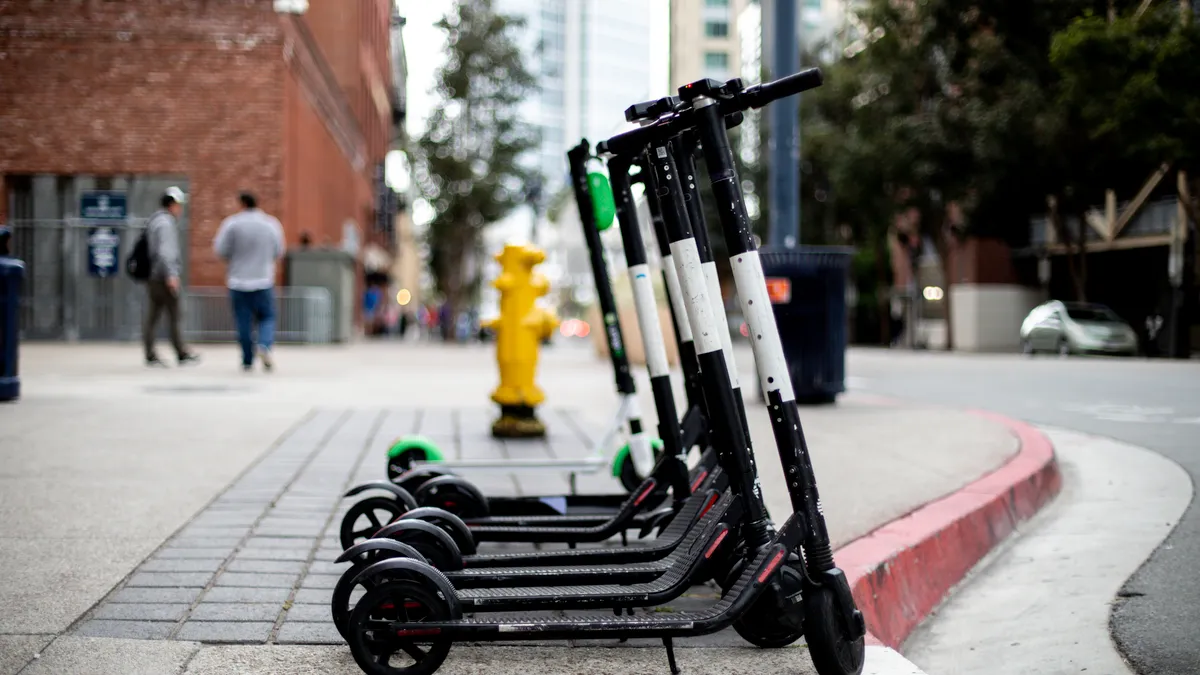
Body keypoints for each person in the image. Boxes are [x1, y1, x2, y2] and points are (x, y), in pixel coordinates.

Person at [213, 192, 285, 372]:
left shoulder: (232, 224)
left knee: (243, 321)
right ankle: (264, 345)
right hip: (263, 280)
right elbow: (279, 250)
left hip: (238, 281)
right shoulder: (270, 224)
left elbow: (220, 249)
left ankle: (247, 359)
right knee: (267, 317)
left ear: (242, 204)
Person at [144, 187, 200, 367]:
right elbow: (166, 252)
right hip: (163, 277)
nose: (180, 209)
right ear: (171, 204)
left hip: (155, 276)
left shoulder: (154, 220)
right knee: (174, 315)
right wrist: (172, 275)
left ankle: (151, 352)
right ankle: (180, 352)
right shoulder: (165, 223)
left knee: (154, 316)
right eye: (179, 205)